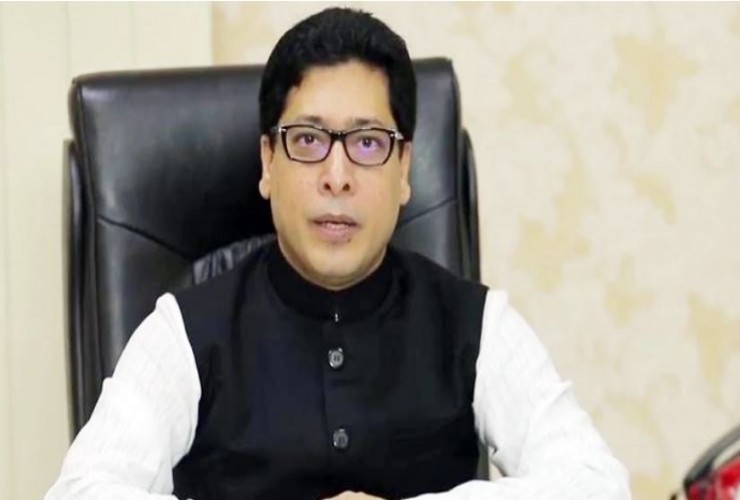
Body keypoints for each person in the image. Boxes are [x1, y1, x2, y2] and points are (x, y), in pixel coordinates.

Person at [46, 7, 630, 500]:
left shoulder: (477, 324)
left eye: (368, 143)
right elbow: (83, 491)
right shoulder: (185, 332)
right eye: (308, 140)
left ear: (405, 170)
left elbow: (596, 484)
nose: (337, 175)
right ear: (268, 162)